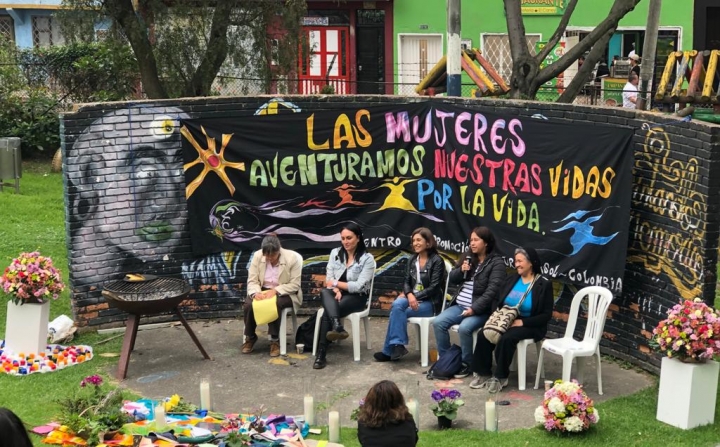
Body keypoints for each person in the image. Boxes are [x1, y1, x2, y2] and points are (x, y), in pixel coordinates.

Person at [470, 247, 554, 390]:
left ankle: (501, 376)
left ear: (531, 263)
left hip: (530, 324)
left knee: (507, 338)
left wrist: (522, 322)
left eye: (520, 261)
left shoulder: (543, 284)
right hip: (505, 319)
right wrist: (497, 317)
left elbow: (546, 315)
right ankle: (483, 373)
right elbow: (497, 299)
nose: (517, 265)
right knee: (483, 334)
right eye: (516, 261)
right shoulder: (512, 279)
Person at [431, 227, 506, 378]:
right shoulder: (468, 258)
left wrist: (474, 308)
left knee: (465, 328)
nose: (472, 243)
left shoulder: (496, 263)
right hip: (460, 305)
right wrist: (461, 270)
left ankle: (467, 364)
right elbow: (452, 278)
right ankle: (448, 360)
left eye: (476, 240)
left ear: (486, 243)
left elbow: (492, 291)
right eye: (471, 240)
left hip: (481, 310)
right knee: (438, 322)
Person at [374, 227, 446, 362]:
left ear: (428, 242)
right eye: (413, 241)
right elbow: (406, 281)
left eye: (419, 240)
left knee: (397, 312)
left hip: (430, 303)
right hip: (412, 297)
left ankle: (390, 350)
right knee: (397, 305)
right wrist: (409, 294)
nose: (415, 243)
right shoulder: (412, 259)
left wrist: (414, 296)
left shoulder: (437, 261)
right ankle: (397, 345)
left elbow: (434, 288)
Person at [314, 223, 376, 369]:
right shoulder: (335, 253)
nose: (346, 242)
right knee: (324, 292)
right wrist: (335, 289)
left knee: (329, 312)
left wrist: (336, 284)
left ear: (358, 238)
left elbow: (358, 286)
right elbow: (328, 280)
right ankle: (337, 325)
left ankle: (321, 354)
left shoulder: (367, 259)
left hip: (357, 297)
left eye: (349, 238)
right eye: (343, 238)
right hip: (336, 294)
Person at [243, 234, 302, 357]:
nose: (270, 258)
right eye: (267, 256)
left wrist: (276, 290)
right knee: (249, 304)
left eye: (273, 256)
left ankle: (274, 340)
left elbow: (295, 284)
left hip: (285, 291)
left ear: (279, 250)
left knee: (275, 303)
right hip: (262, 289)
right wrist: (255, 293)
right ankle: (250, 337)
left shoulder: (291, 258)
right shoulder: (258, 256)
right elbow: (252, 280)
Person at [357, 380, 418, 447]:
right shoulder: (408, 421)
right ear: (398, 399)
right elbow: (414, 440)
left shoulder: (364, 423)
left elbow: (362, 441)